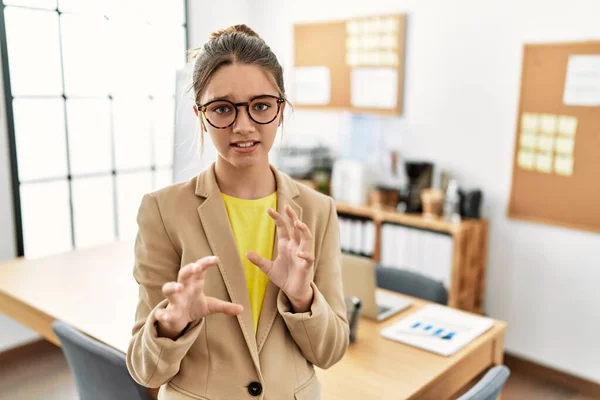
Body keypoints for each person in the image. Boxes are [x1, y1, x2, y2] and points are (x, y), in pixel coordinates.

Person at [126, 24, 349, 400]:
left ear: (281, 110)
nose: (243, 126)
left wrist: (303, 297)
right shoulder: (162, 211)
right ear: (200, 114)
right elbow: (144, 370)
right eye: (223, 108)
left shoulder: (317, 210)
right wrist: (171, 324)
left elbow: (330, 351)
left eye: (261, 105)